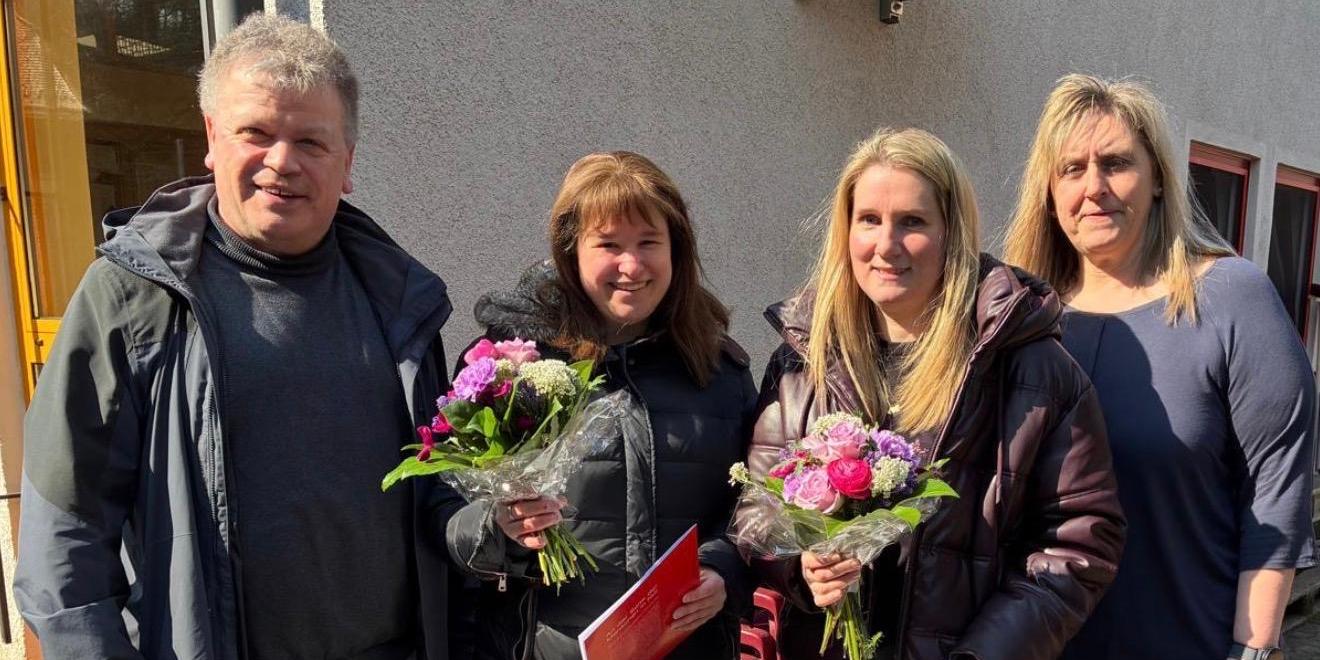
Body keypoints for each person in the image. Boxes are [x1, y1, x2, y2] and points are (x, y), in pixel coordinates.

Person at [14, 14, 462, 659]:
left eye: (311, 141)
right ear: (211, 138)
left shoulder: (402, 304)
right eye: (256, 132)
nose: (281, 161)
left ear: (347, 162)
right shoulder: (134, 298)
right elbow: (65, 529)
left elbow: (438, 494)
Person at [742, 127, 1125, 660]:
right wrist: (800, 567)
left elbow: (1077, 543)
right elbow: (757, 506)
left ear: (952, 233)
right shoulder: (802, 361)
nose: (886, 245)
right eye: (869, 220)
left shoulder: (1031, 367)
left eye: (913, 222)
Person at [1003, 74, 1316, 660]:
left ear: (1157, 180)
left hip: (1185, 641)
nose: (1094, 187)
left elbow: (1275, 493)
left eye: (1116, 163)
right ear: (1048, 191)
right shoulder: (1018, 319)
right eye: (1071, 169)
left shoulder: (1229, 299)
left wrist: (1253, 649)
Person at [445, 151, 757, 659]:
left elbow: (754, 504)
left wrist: (723, 568)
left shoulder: (719, 369)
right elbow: (442, 508)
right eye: (609, 244)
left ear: (676, 249)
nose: (631, 265)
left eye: (649, 242)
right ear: (571, 252)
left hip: (689, 647)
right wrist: (498, 528)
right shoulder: (511, 367)